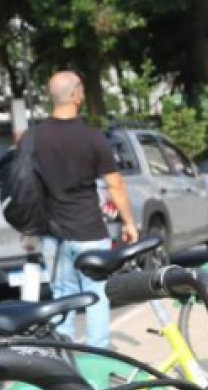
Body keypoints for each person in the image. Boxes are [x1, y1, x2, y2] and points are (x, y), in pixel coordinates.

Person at [34, 71, 138, 349]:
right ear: (75, 94)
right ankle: (98, 357)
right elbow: (114, 186)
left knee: (62, 296)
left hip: (52, 233)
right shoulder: (92, 137)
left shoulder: (34, 138)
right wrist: (129, 222)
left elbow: (26, 184)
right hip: (89, 229)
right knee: (96, 293)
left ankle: (63, 361)